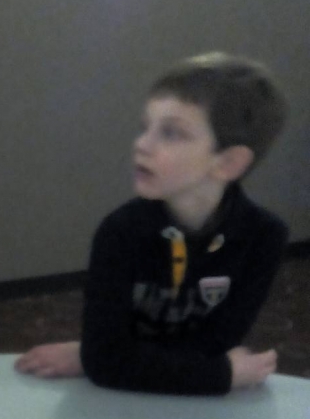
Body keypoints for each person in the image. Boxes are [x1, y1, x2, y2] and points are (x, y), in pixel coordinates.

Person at [15, 53, 289, 395]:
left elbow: (214, 343)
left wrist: (116, 358)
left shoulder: (264, 237)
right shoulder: (121, 231)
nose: (141, 144)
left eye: (171, 133)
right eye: (145, 127)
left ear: (228, 162)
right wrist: (221, 375)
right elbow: (106, 360)